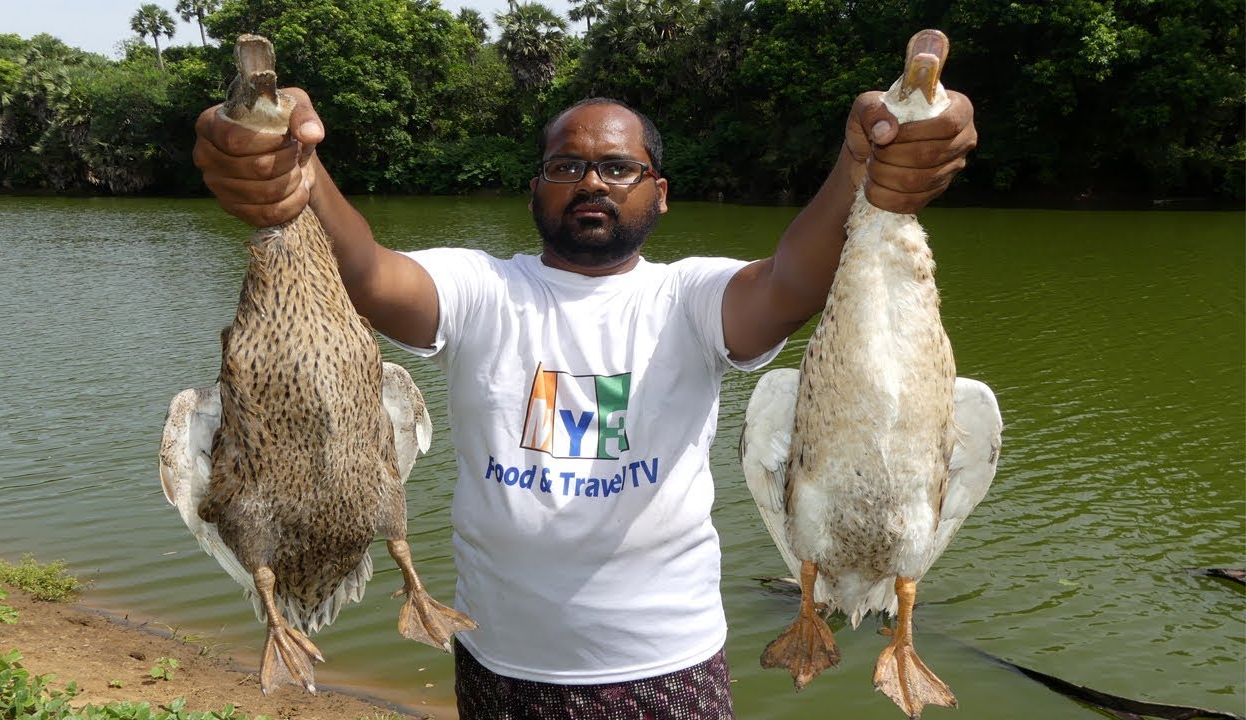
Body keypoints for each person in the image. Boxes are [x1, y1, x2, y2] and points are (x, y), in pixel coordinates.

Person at [193, 85, 976, 719]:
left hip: (664, 663)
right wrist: (295, 169)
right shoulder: (483, 289)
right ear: (537, 188)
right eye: (567, 166)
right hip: (499, 660)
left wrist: (858, 165)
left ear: (661, 194)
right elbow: (366, 271)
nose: (592, 181)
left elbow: (790, 284)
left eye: (618, 167)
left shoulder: (688, 296)